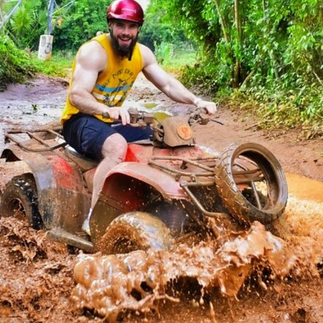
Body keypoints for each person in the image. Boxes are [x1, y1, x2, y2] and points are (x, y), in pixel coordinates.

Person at [61, 0, 217, 235]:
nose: (126, 32)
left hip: (112, 120)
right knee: (116, 146)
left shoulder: (142, 54)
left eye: (132, 27)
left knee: (161, 137)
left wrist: (198, 101)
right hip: (80, 120)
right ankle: (93, 222)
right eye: (120, 25)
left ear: (138, 28)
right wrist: (106, 109)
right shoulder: (94, 52)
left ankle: (164, 200)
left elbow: (167, 84)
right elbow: (76, 95)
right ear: (111, 25)